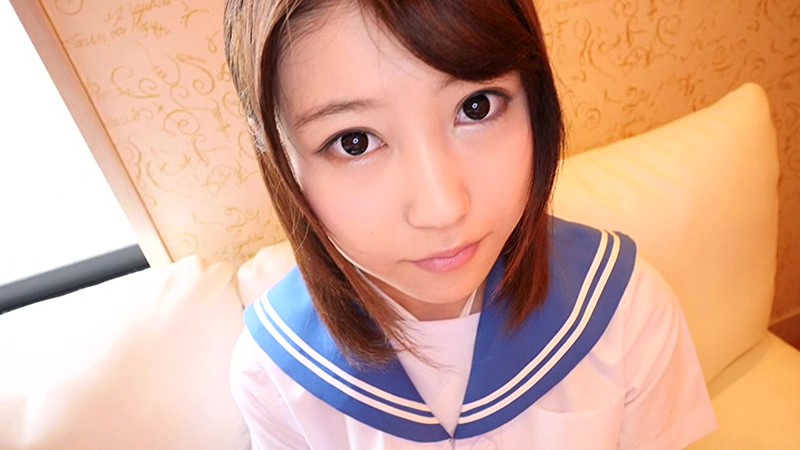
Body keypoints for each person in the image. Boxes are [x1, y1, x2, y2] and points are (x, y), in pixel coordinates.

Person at [223, 0, 717, 448]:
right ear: (278, 155)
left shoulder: (626, 309)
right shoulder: (277, 376)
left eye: (475, 107)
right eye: (355, 141)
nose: (442, 209)